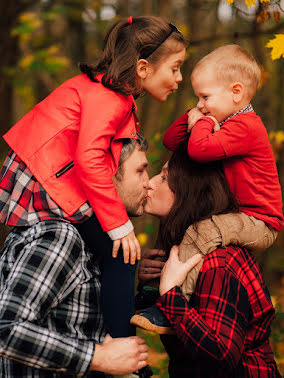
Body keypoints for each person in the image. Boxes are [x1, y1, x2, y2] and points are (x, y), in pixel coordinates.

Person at [0, 16, 186, 337]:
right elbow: (89, 158)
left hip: (55, 181)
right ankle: (125, 348)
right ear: (143, 68)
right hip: (46, 182)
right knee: (123, 251)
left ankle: (120, 340)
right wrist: (118, 224)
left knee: (119, 256)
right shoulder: (108, 97)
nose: (179, 78)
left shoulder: (114, 95)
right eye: (175, 68)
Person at [131, 44, 283, 333]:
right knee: (182, 229)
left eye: (205, 96)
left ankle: (174, 301)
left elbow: (200, 151)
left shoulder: (247, 126)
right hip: (243, 215)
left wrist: (204, 122)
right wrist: (195, 114)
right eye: (197, 96)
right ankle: (156, 288)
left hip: (260, 220)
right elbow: (171, 141)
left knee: (203, 231)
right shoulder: (224, 121)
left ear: (236, 93)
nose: (200, 104)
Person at [0, 136, 150, 377]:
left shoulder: (92, 240)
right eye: (141, 171)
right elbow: (6, 328)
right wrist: (98, 357)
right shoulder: (59, 237)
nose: (148, 183)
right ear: (105, 176)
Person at [138, 149, 281, 377]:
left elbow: (221, 359)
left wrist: (171, 293)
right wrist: (149, 287)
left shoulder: (219, 262)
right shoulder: (184, 251)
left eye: (164, 178)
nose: (150, 183)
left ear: (189, 192)